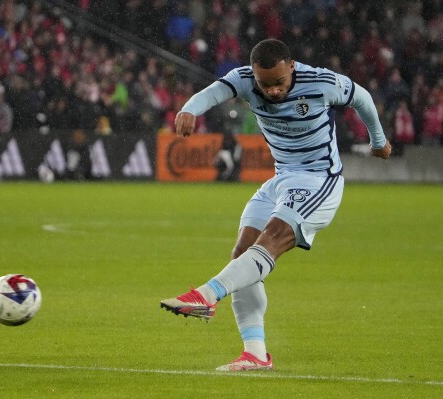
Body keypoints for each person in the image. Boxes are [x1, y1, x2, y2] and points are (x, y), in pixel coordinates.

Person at [160, 39, 391, 372]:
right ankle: (255, 354)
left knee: (272, 237)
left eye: (279, 83)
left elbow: (363, 99)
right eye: (264, 84)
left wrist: (379, 141)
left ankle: (206, 295)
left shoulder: (321, 83)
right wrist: (189, 110)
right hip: (281, 179)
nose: (271, 91)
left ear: (292, 66)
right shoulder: (245, 79)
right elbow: (214, 90)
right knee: (242, 254)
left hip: (318, 179)